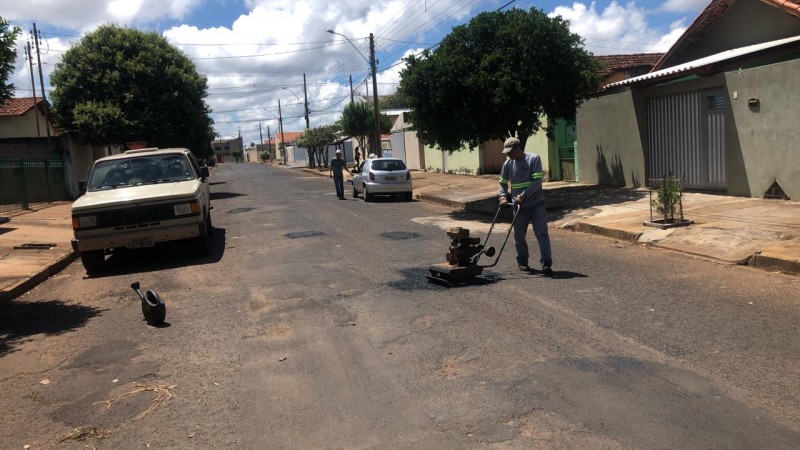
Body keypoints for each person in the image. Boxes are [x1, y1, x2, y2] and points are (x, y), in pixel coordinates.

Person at [498, 137, 552, 274]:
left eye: (510, 152)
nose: (509, 155)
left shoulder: (533, 159)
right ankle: (522, 261)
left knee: (542, 233)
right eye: (507, 153)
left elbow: (537, 181)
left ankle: (546, 263)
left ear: (517, 148)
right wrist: (503, 196)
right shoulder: (508, 164)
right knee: (519, 235)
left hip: (536, 204)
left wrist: (524, 195)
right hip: (518, 206)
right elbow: (503, 183)